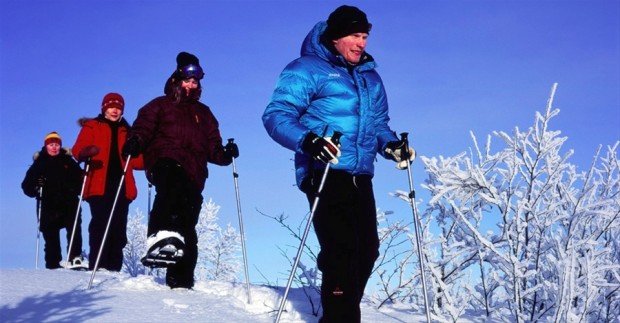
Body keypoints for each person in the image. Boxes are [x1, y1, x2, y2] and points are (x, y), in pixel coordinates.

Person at [262, 5, 415, 322]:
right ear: (335, 37)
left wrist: (393, 147)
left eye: (365, 36)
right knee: (342, 249)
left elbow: (379, 126)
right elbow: (276, 116)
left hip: (361, 175)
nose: (362, 43)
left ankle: (339, 307)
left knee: (367, 250)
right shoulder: (306, 69)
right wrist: (309, 141)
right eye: (355, 36)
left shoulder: (371, 78)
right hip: (325, 169)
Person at [122, 52, 239, 289]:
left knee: (188, 221)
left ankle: (181, 281)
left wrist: (225, 154)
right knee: (172, 189)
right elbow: (143, 128)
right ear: (177, 79)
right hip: (164, 158)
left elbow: (212, 147)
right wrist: (135, 141)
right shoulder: (160, 105)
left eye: (196, 81)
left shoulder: (204, 113)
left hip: (194, 170)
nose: (192, 84)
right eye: (188, 79)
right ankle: (159, 235)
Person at [72, 93, 143, 271]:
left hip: (122, 185)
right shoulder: (92, 126)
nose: (114, 110)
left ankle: (114, 268)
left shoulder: (129, 131)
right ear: (104, 108)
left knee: (118, 228)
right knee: (100, 223)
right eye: (111, 106)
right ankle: (98, 265)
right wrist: (86, 151)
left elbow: (138, 162)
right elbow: (77, 150)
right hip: (98, 183)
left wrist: (139, 152)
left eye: (118, 107)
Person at [22, 132, 85, 269]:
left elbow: (81, 179)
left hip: (69, 202)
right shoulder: (39, 163)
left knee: (74, 229)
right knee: (51, 236)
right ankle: (53, 265)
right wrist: (36, 185)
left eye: (56, 144)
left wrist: (78, 184)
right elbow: (26, 186)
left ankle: (75, 258)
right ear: (46, 146)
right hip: (48, 204)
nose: (54, 147)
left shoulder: (68, 160)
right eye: (51, 144)